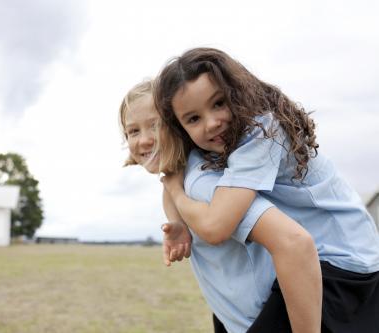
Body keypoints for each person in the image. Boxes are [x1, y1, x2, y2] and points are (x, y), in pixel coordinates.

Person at [154, 47, 379, 333]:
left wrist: (175, 190)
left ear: (238, 93)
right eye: (193, 119)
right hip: (316, 257)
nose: (211, 123)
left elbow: (216, 226)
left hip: (341, 262)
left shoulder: (262, 131)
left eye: (219, 103)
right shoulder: (215, 152)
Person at [119, 79, 322, 333]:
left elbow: (295, 242)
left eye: (155, 125)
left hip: (259, 315)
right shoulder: (181, 178)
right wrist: (178, 221)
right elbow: (169, 187)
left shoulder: (202, 183)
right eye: (133, 131)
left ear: (178, 126)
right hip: (236, 316)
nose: (143, 140)